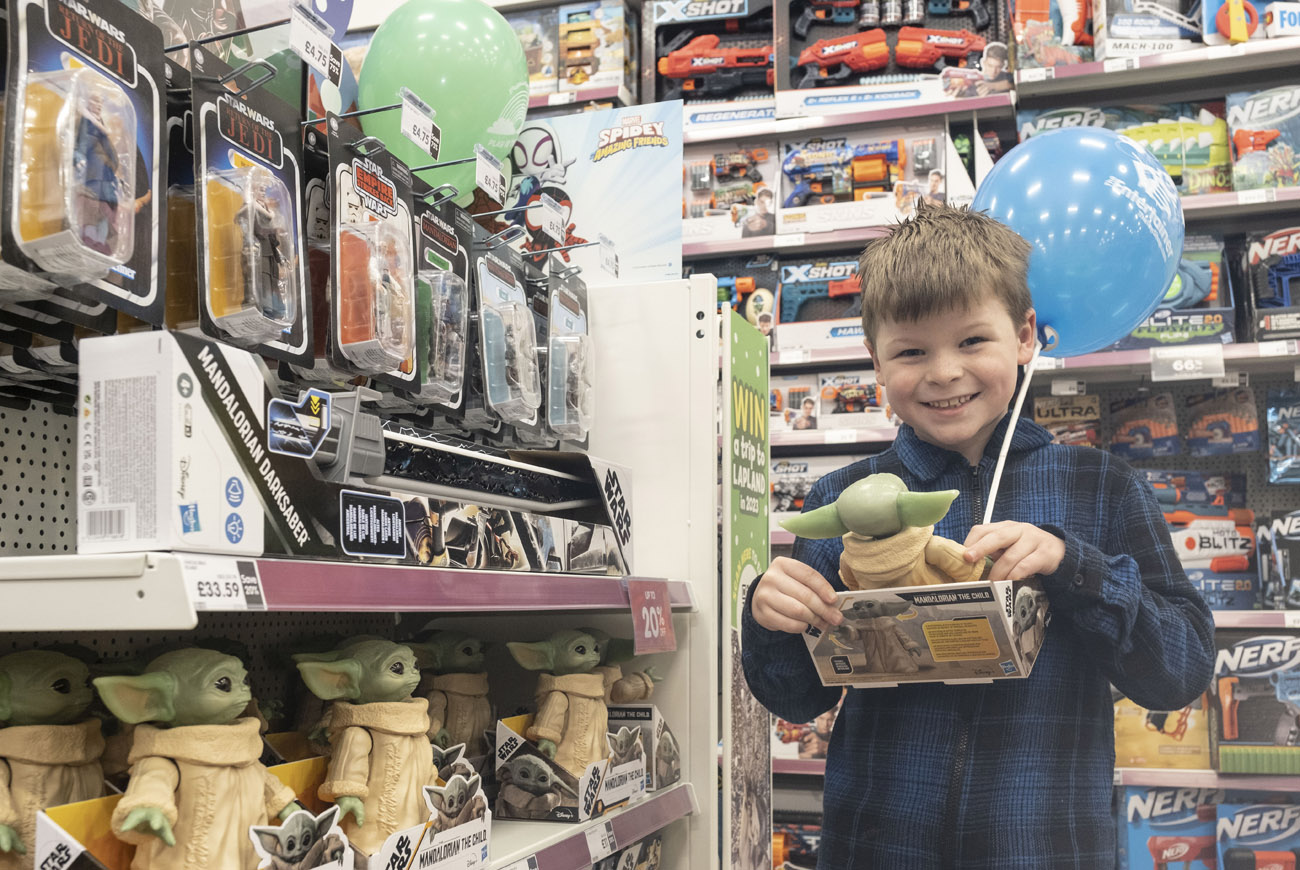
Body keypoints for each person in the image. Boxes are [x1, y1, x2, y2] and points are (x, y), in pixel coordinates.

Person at [742, 201, 1214, 869]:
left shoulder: (1101, 485)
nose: (943, 372)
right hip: (878, 846)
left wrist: (1073, 565)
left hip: (1047, 846)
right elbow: (797, 696)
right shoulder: (841, 499)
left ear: (1024, 337)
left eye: (972, 341)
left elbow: (1181, 673)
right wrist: (771, 618)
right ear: (875, 361)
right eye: (911, 351)